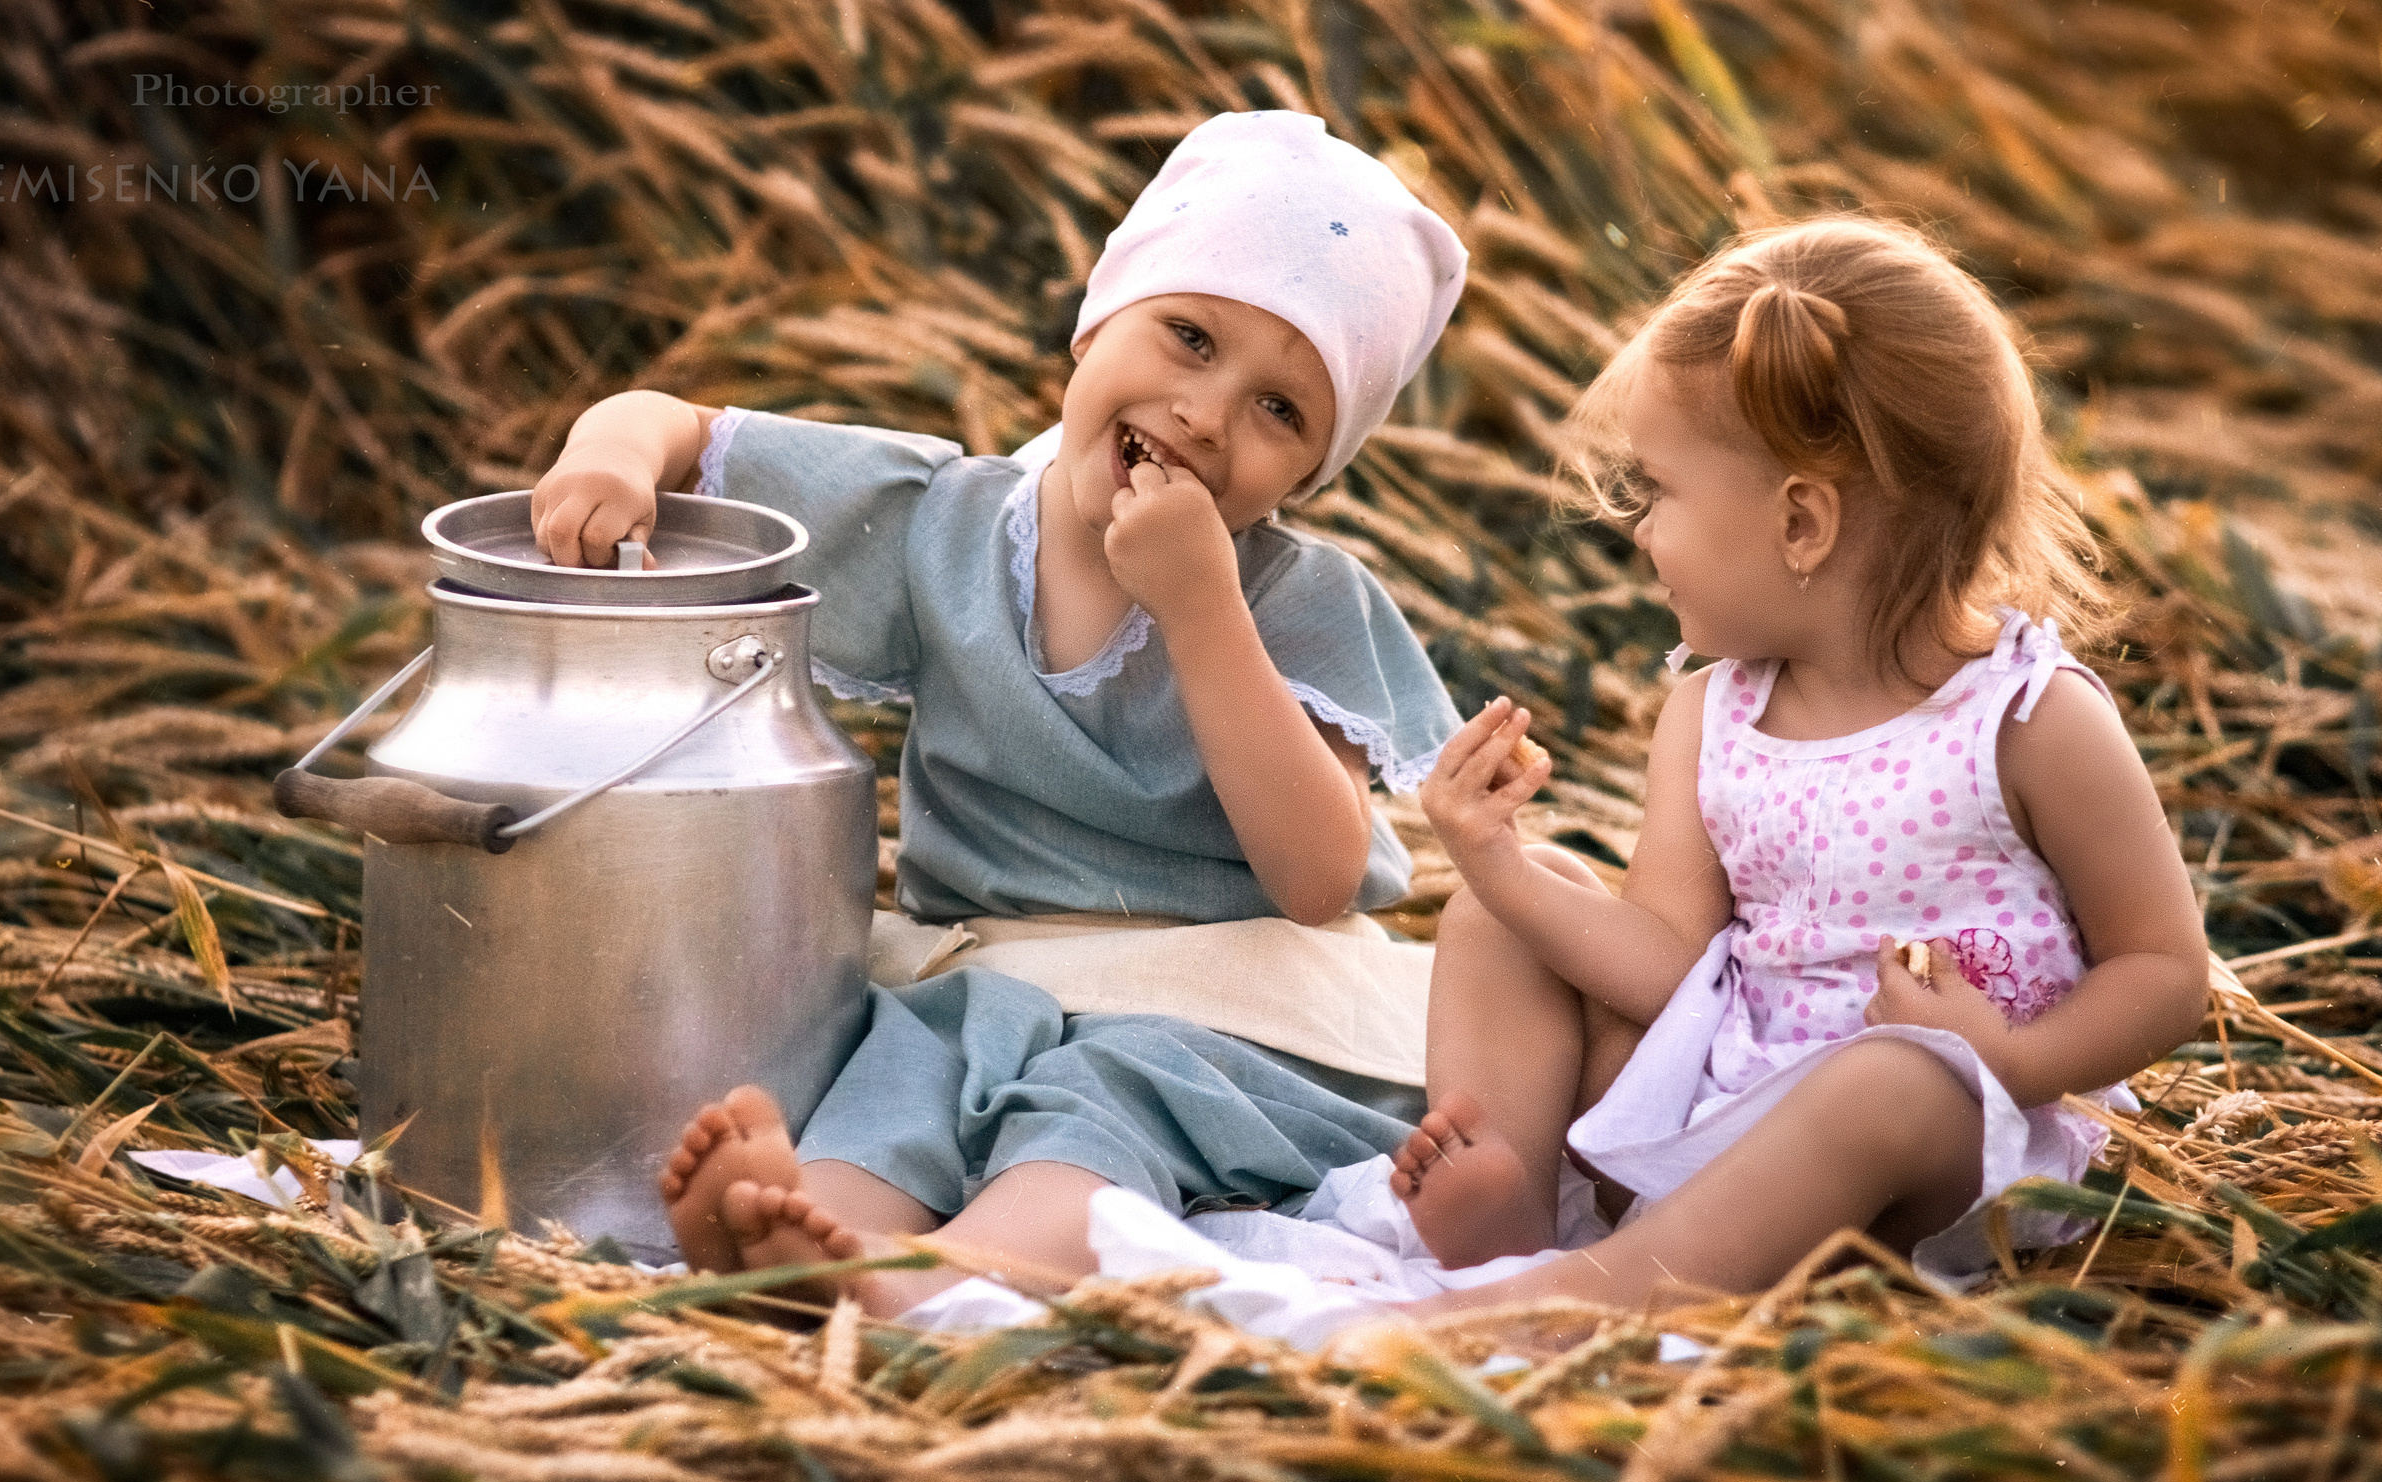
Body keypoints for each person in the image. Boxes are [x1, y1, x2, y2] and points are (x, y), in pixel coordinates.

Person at [527, 111, 1470, 1318]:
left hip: (1212, 1004)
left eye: (1281, 411)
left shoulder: (1300, 600)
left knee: (1100, 1109)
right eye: (1187, 336)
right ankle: (811, 1236)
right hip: (987, 978)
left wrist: (1200, 610)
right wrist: (609, 450)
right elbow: (686, 429)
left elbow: (1317, 876)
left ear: (1309, 474)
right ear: (1095, 325)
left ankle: (942, 1279)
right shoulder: (945, 522)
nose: (1206, 412)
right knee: (903, 1079)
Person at [1387, 216, 2207, 1306]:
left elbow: (2163, 972)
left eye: (1661, 494)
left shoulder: (2025, 719)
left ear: (1803, 524)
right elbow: (1665, 962)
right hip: (1719, 1114)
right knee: (1496, 924)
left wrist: (2004, 1060)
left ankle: (1580, 1303)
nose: (1639, 534)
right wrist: (1496, 864)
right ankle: (1522, 1221)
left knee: (1887, 1080)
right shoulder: (1711, 710)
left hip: (1940, 1149)